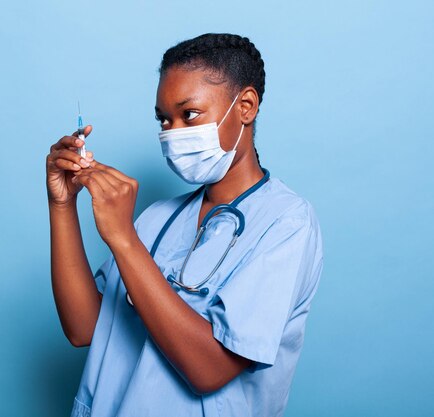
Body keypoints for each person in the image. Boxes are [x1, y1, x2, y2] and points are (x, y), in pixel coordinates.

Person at [45, 33, 323, 417]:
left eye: (189, 114)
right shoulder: (159, 217)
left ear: (245, 107)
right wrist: (62, 205)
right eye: (164, 119)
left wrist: (123, 239)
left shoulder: (287, 223)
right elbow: (83, 329)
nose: (174, 132)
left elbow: (209, 370)